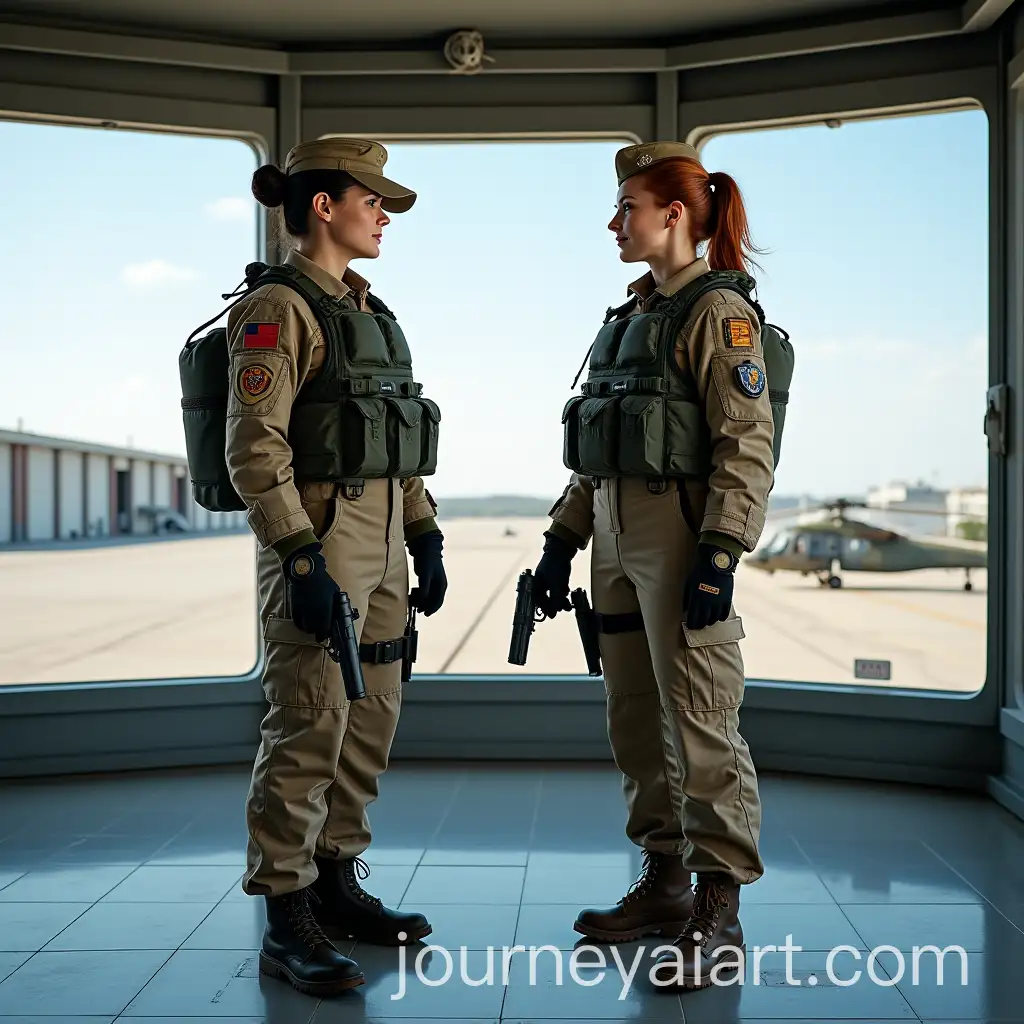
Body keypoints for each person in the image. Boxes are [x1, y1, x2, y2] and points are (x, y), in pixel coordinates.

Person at [532, 141, 775, 990]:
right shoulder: (628, 318)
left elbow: (748, 446)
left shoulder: (719, 315)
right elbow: (595, 447)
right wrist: (562, 540)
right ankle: (667, 878)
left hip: (678, 533)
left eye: (627, 207)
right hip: (612, 533)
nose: (614, 222)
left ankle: (720, 908)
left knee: (702, 716)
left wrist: (720, 550)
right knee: (636, 717)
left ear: (674, 214)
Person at [224, 138, 448, 996]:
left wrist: (422, 531)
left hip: (384, 534)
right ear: (325, 206)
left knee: (373, 712)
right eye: (372, 200)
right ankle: (287, 919)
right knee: (311, 719)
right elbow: (255, 448)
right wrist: (299, 554)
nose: (382, 216)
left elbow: (395, 440)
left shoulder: (368, 312)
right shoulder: (279, 310)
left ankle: (334, 883)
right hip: (321, 539)